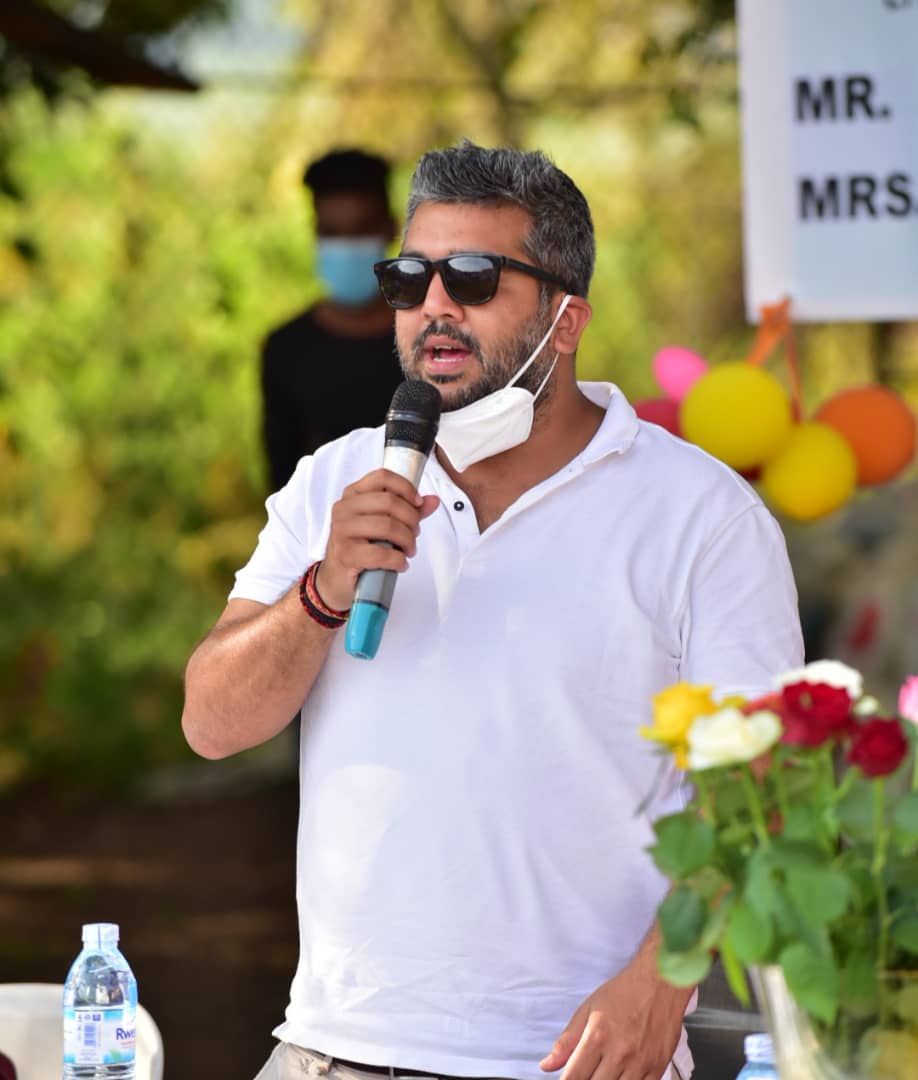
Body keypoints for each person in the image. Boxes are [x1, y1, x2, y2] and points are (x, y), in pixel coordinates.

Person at [182, 141, 804, 1080]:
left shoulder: (701, 514)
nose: (434, 304)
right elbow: (211, 723)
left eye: (473, 277)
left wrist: (667, 978)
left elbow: (763, 793)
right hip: (332, 1051)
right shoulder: (334, 481)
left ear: (566, 319)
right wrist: (322, 590)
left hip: (572, 1059)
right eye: (410, 278)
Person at [261, 148, 403, 491]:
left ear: (391, 228)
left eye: (361, 229)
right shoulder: (285, 350)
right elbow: (283, 487)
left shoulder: (432, 342)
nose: (347, 245)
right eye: (332, 232)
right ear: (315, 234)